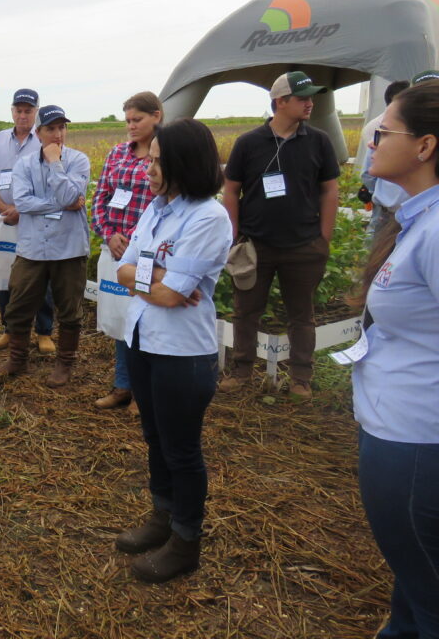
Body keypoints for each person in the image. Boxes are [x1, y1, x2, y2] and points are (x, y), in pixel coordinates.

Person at [113, 118, 232, 583]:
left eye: (159, 161)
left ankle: (186, 540)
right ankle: (162, 517)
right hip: (143, 339)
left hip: (183, 353)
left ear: (184, 162)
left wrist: (156, 280)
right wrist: (162, 277)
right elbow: (124, 270)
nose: (148, 167)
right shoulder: (158, 209)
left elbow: (167, 294)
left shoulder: (208, 217)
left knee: (182, 449)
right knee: (155, 439)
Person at [352, 80, 439, 638]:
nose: (373, 141)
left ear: (425, 146)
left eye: (384, 131)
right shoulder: (416, 219)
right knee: (412, 587)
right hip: (398, 428)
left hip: (416, 440)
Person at [220, 71, 340, 397]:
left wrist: (323, 239)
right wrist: (234, 237)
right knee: (246, 312)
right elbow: (231, 190)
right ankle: (241, 371)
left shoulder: (318, 141)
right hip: (256, 246)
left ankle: (301, 378)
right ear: (280, 102)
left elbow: (330, 189)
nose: (310, 103)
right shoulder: (249, 143)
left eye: (311, 97)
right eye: (303, 98)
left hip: (304, 246)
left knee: (302, 316)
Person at [0, 105, 90, 386]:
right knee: (19, 304)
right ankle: (17, 359)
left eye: (62, 128)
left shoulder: (79, 161)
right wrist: (60, 204)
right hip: (32, 247)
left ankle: (64, 364)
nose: (58, 134)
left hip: (69, 248)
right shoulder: (24, 165)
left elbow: (73, 193)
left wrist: (56, 163)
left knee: (69, 310)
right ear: (39, 132)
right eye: (51, 129)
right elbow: (21, 202)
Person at [89, 92, 161, 414]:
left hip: (148, 256)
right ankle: (123, 386)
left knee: (147, 319)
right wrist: (109, 234)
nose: (131, 126)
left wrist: (133, 243)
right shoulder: (117, 154)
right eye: (128, 120)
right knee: (121, 318)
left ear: (156, 116)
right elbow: (100, 199)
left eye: (138, 119)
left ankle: (145, 393)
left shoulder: (164, 156)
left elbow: (167, 206)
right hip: (115, 251)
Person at [0, 88, 55, 355]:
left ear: (36, 112)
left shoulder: (44, 142)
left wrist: (21, 210)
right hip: (5, 218)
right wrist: (2, 206)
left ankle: (44, 331)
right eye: (19, 110)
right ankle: (10, 329)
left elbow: (50, 185)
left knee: (40, 275)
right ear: (12, 111)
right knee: (5, 272)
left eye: (28, 111)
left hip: (34, 218)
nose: (23, 115)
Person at [359, 81, 410, 242]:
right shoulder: (381, 126)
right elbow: (369, 173)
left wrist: (381, 194)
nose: (373, 145)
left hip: (387, 209)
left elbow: (368, 173)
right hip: (388, 212)